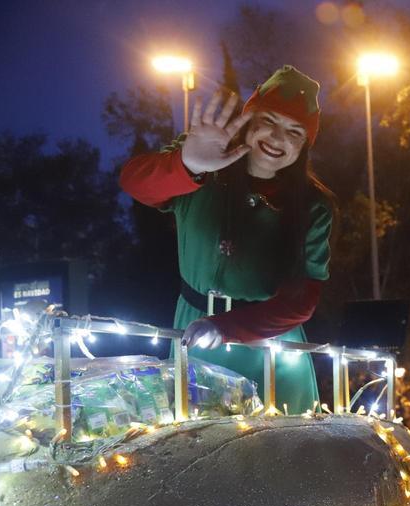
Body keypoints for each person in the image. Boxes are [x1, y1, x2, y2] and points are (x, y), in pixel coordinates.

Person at [120, 66, 334, 412]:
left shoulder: (313, 206)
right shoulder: (203, 167)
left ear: (304, 146)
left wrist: (228, 327)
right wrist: (187, 164)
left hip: (272, 352)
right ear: (248, 121)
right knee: (199, 438)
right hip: (195, 339)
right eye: (269, 121)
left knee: (281, 440)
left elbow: (302, 299)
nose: (277, 137)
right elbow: (134, 182)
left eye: (295, 131)